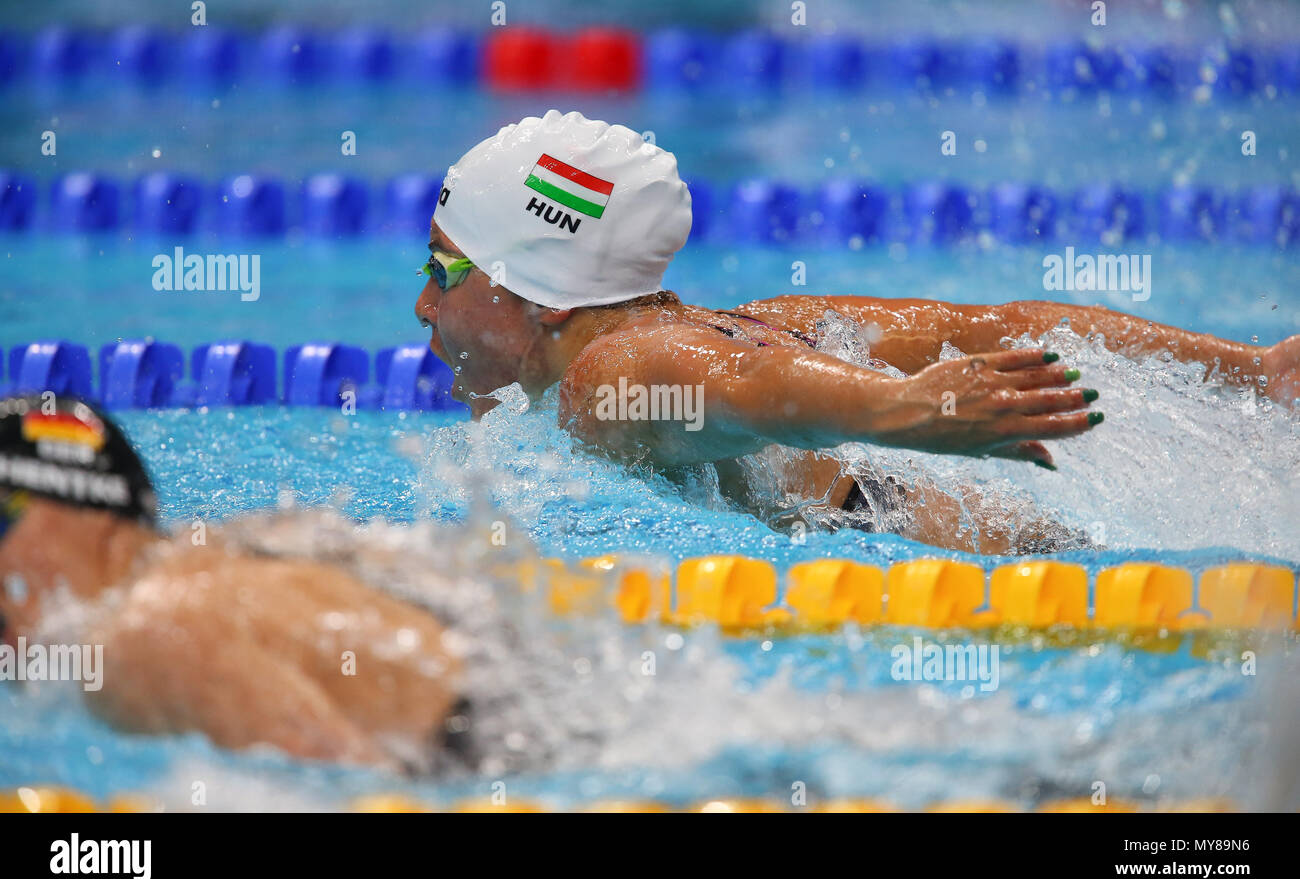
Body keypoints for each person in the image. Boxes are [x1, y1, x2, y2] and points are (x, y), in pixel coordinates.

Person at [415, 110, 1300, 553]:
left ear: (542, 290)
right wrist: (1252, 370)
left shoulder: (603, 377)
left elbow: (739, 391)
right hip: (948, 523)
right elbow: (1006, 324)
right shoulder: (765, 321)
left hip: (923, 551)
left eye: (441, 271)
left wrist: (901, 410)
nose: (422, 306)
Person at [0, 395, 461, 768]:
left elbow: (363, 791)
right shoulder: (209, 557)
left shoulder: (146, 635)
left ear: (80, 513)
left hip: (489, 743)